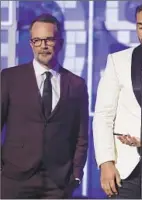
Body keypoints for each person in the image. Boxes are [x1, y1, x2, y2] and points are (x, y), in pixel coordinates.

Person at [1, 14, 89, 199]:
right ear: (31, 44)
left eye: (49, 39)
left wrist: (77, 174)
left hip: (58, 182)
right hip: (14, 177)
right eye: (37, 40)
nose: (43, 45)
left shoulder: (76, 84)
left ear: (60, 43)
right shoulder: (10, 78)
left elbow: (81, 136)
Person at [92, 2, 142, 198]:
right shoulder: (118, 61)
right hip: (128, 167)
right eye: (140, 26)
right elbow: (103, 116)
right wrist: (106, 162)